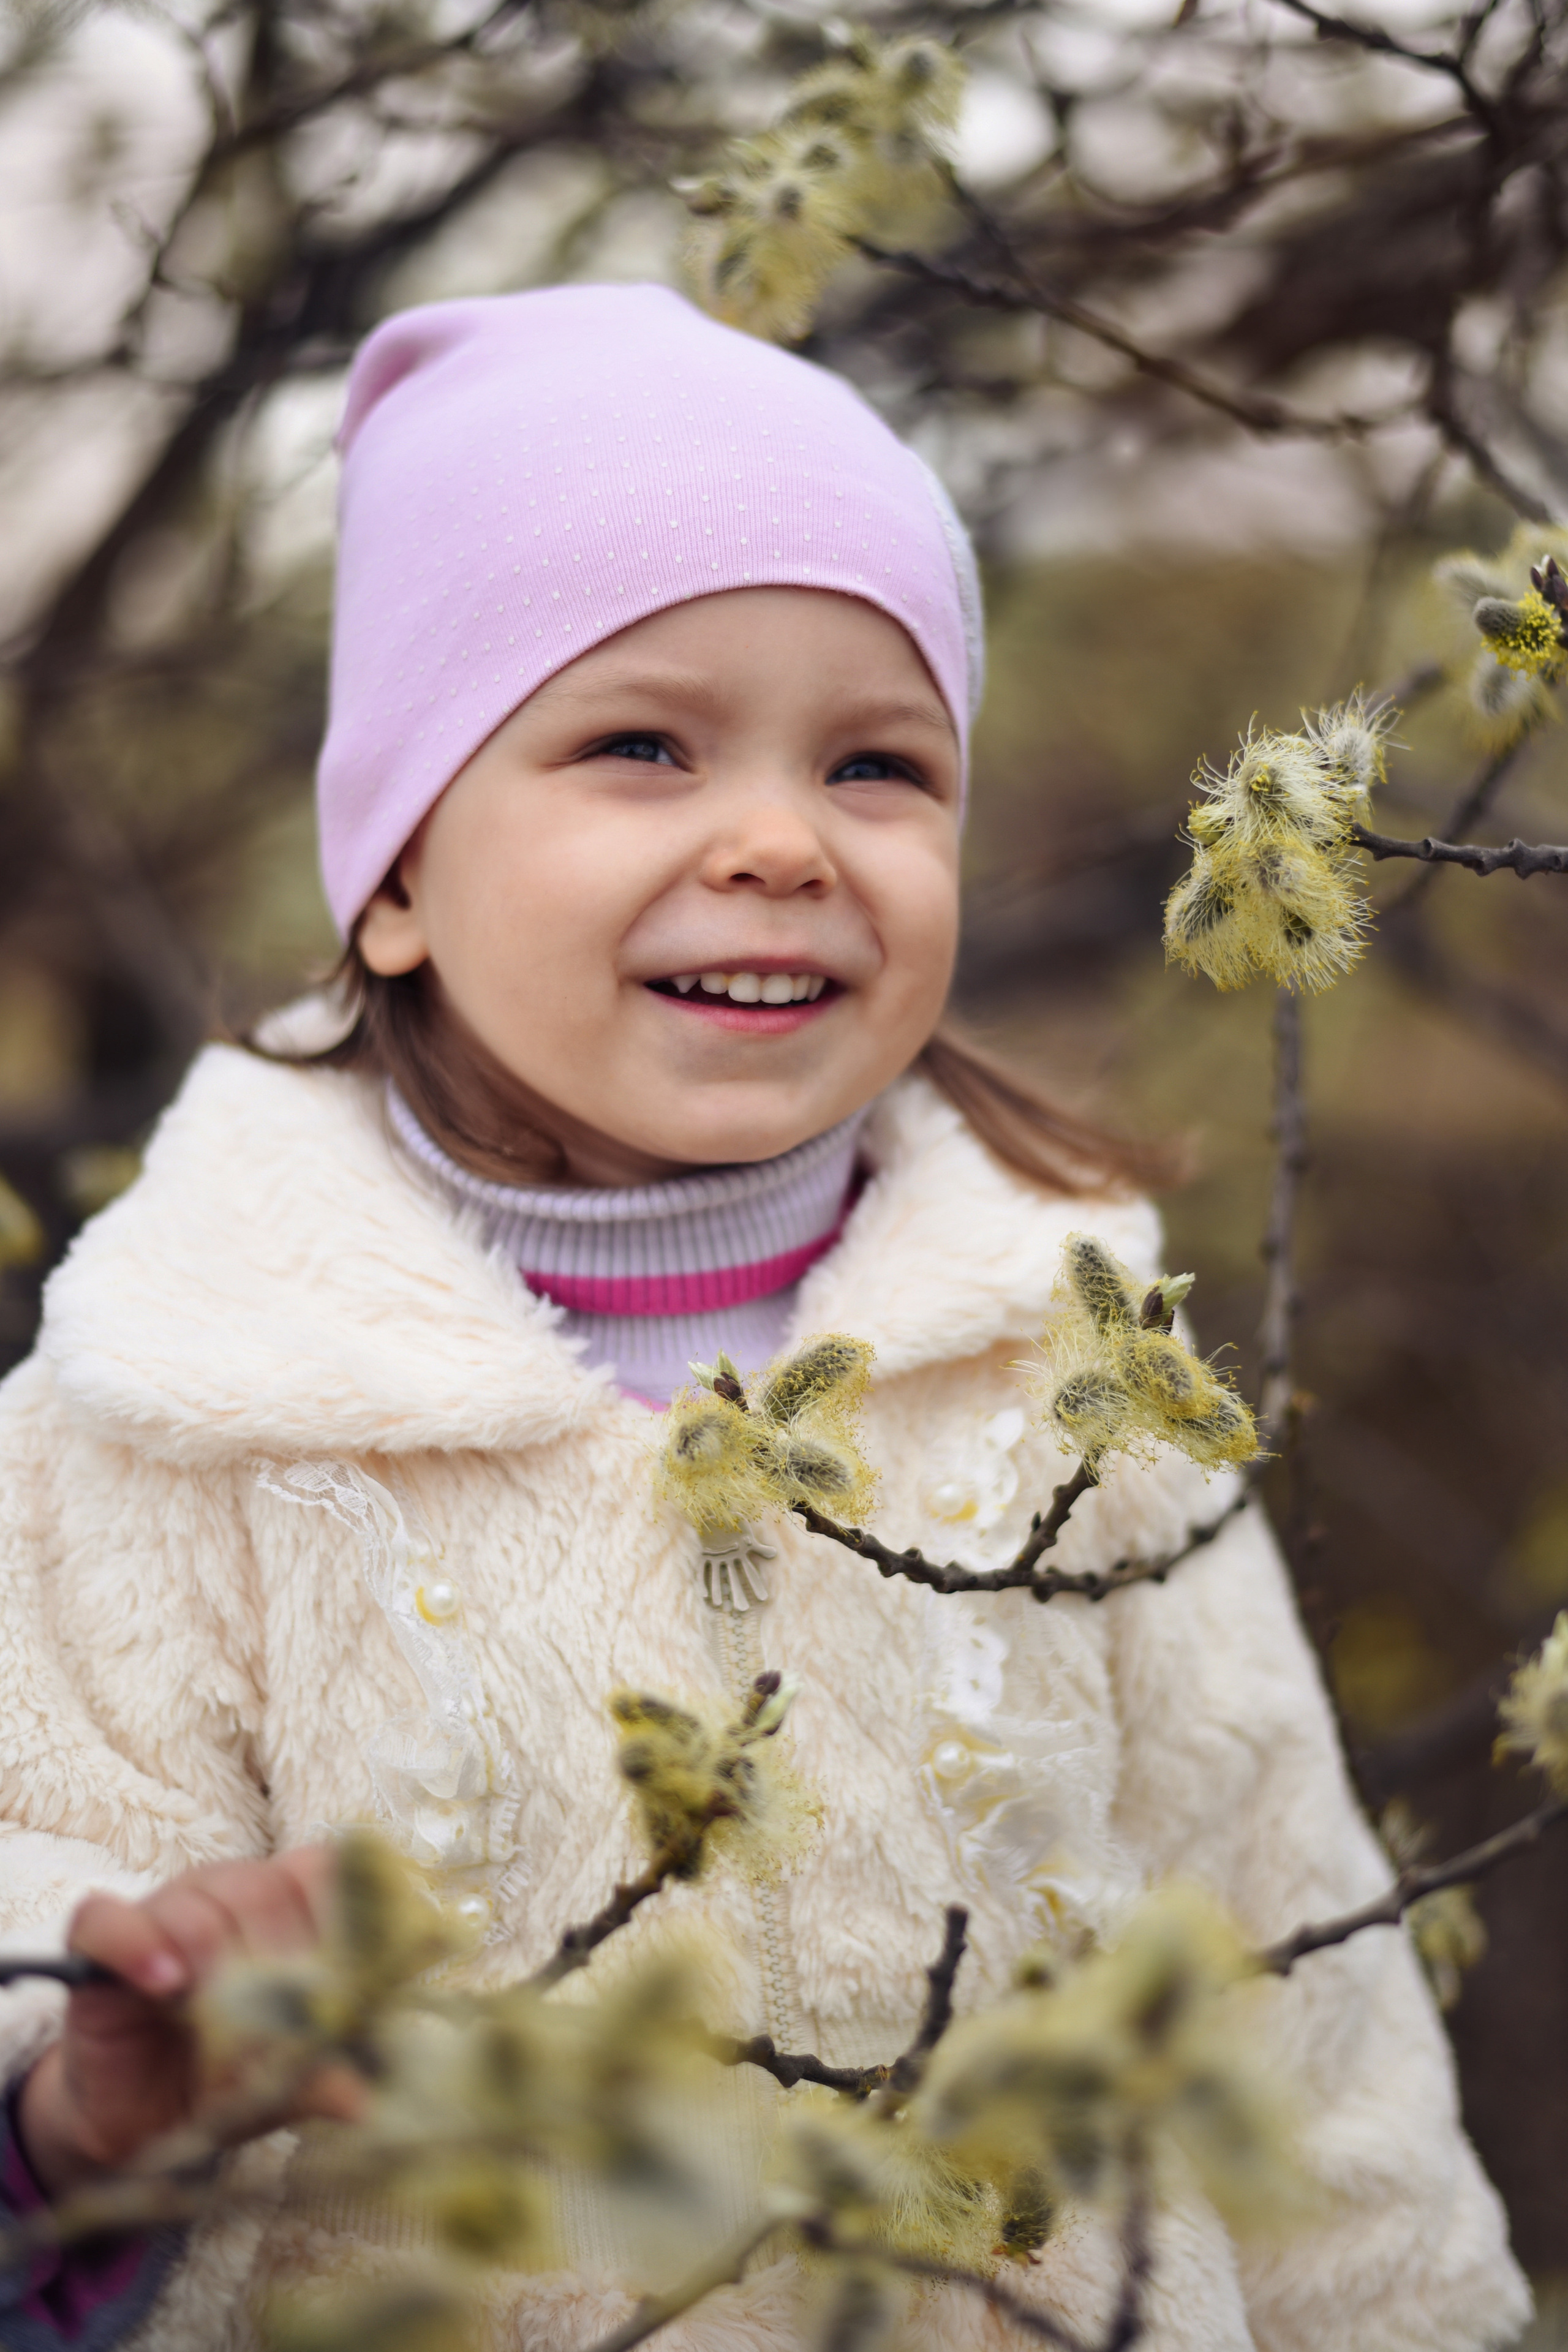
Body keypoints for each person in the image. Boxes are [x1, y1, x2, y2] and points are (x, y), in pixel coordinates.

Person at [0, 284, 1529, 2352]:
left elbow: (1305, 2022)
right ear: (397, 876)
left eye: (879, 765)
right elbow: (40, 1882)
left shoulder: (1068, 1372)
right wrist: (91, 2101)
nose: (783, 840)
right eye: (639, 743)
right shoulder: (176, 1407)